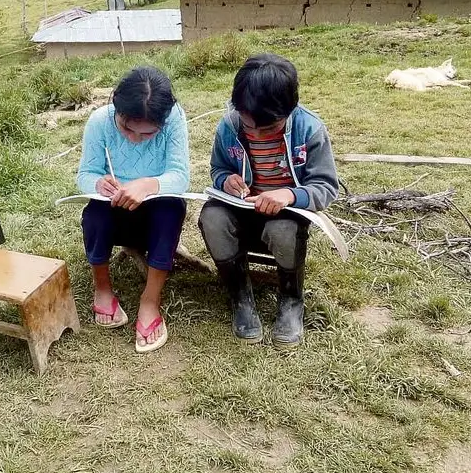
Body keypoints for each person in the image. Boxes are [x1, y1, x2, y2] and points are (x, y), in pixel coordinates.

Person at [198, 54, 338, 347]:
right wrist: (226, 180)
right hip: (242, 208)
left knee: (283, 230)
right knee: (212, 218)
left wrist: (289, 195)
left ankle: (291, 299)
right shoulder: (230, 125)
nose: (256, 133)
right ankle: (240, 296)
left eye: (268, 129)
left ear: (289, 109)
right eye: (249, 126)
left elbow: (325, 187)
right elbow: (218, 168)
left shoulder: (310, 130)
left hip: (285, 214)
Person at [76, 66, 190, 353]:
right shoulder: (100, 122)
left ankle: (150, 300)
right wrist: (98, 183)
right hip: (115, 213)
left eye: (148, 133)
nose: (135, 138)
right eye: (127, 128)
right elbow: (85, 174)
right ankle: (102, 288)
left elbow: (180, 175)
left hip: (155, 213)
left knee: (171, 209)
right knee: (94, 214)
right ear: (115, 102)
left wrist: (149, 185)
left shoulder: (174, 118)